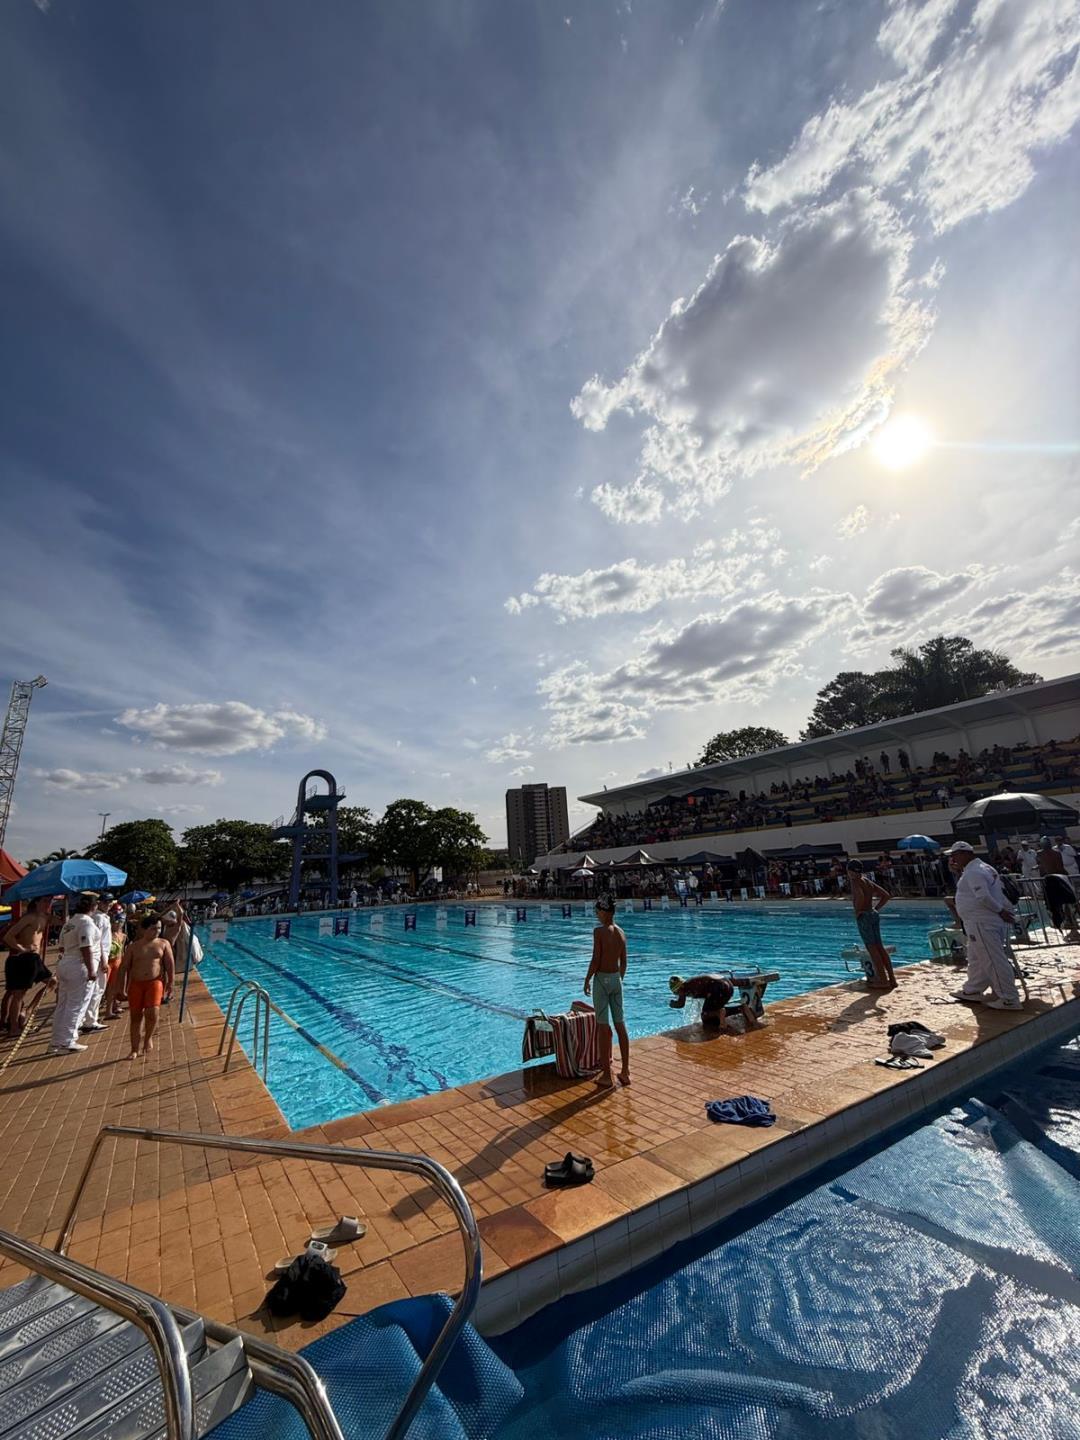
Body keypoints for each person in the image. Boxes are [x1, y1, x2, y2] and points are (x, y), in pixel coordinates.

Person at [945, 841, 1022, 1008]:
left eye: (955, 855)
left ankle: (1009, 998)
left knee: (993, 959)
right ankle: (973, 990)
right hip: (980, 922)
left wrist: (1000, 911)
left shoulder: (974, 871)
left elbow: (984, 897)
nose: (953, 859)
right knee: (976, 958)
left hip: (982, 922)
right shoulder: (981, 868)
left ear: (965, 853)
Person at [582, 895, 630, 1088]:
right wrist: (618, 980)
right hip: (617, 981)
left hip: (601, 981)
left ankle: (606, 1076)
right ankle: (625, 1072)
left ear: (605, 912)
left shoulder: (599, 932)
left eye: (598, 912)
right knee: (620, 1024)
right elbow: (624, 962)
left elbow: (595, 959)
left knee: (603, 1028)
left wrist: (587, 979)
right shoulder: (621, 933)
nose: (597, 915)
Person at [49, 894, 99, 1054]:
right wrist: (91, 970)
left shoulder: (69, 923)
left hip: (66, 963)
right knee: (76, 1005)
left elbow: (62, 947)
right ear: (93, 907)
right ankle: (67, 1040)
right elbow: (86, 947)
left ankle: (57, 1040)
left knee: (63, 1005)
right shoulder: (86, 924)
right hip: (78, 965)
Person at [119, 916, 175, 1060]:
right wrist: (121, 987)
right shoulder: (134, 947)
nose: (157, 931)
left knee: (152, 1012)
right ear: (144, 929)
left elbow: (169, 964)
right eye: (153, 928)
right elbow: (124, 968)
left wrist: (170, 983)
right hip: (136, 984)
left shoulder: (163, 943)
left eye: (159, 928)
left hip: (154, 982)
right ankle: (134, 1049)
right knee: (135, 1018)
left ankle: (148, 1037)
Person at [1, 898, 54, 1035]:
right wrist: (22, 948)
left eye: (49, 902)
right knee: (18, 994)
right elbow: (8, 937)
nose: (48, 904)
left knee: (53, 983)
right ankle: (13, 1028)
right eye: (45, 902)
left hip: (34, 959)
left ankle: (27, 1010)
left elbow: (64, 923)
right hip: (23, 958)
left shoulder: (46, 917)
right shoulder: (28, 918)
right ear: (36, 903)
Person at [845, 862, 896, 989]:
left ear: (850, 871)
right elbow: (886, 895)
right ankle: (892, 979)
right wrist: (876, 908)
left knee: (872, 949)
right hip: (873, 914)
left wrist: (858, 912)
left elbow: (860, 896)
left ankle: (883, 980)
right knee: (880, 947)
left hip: (865, 917)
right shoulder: (866, 880)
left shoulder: (855, 881)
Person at [668, 973, 761, 1032]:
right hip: (728, 985)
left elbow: (680, 1004)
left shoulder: (683, 988)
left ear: (677, 989)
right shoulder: (690, 982)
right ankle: (741, 1008)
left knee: (706, 1017)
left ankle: (720, 1013)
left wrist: (672, 1004)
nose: (678, 994)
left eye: (676, 992)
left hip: (718, 988)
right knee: (710, 1014)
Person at [1037, 836, 1080, 941]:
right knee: (1070, 902)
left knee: (1057, 905)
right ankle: (1071, 924)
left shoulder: (1040, 855)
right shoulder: (1055, 854)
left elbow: (1043, 869)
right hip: (1060, 879)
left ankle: (1069, 924)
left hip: (1050, 880)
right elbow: (1059, 868)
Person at [80, 896, 113, 1034]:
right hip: (99, 957)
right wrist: (103, 960)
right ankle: (90, 1021)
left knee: (98, 990)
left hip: (102, 955)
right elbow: (97, 940)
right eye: (105, 902)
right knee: (97, 989)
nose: (108, 905)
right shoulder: (98, 918)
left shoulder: (104, 917)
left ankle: (91, 1019)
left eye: (109, 902)